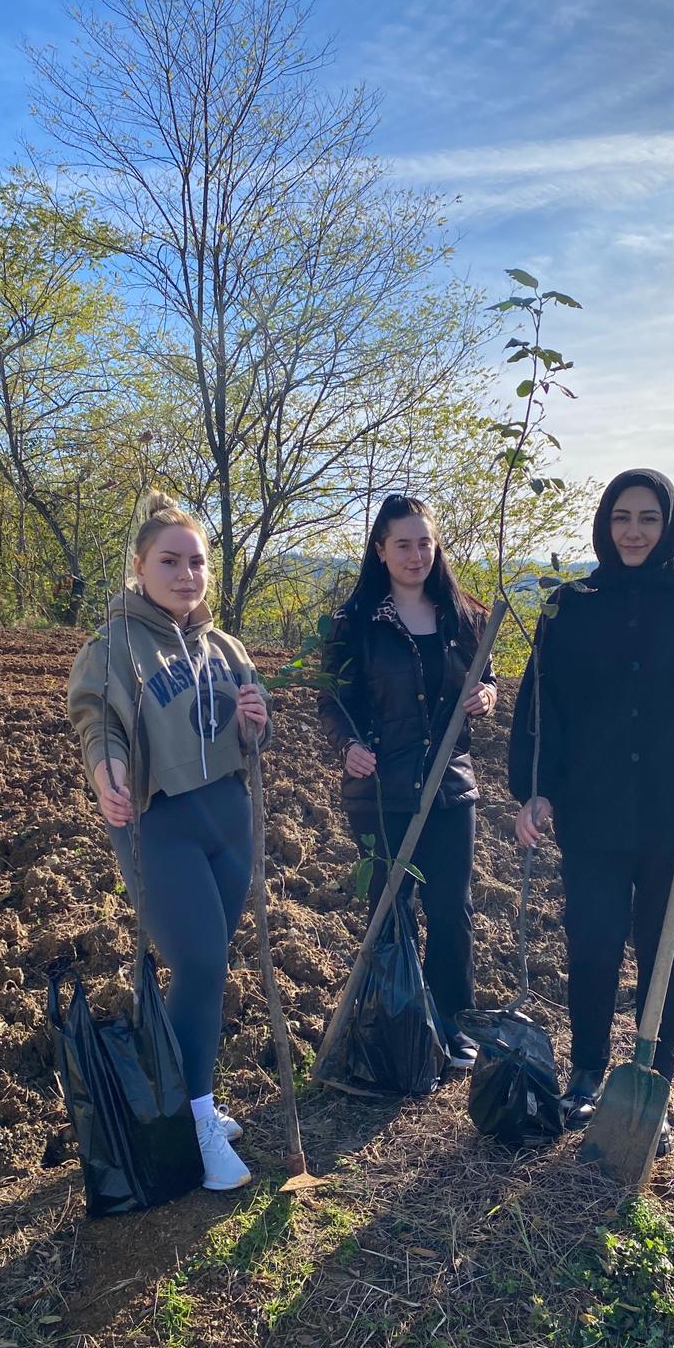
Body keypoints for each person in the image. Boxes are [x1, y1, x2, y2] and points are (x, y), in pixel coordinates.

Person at [509, 468, 674, 1153]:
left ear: (669, 525)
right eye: (622, 517)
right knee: (593, 943)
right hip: (593, 810)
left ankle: (653, 1079)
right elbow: (543, 708)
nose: (634, 531)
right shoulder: (571, 605)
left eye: (648, 518)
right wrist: (535, 788)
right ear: (605, 524)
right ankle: (587, 1072)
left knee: (665, 951)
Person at [67, 494, 270, 1191]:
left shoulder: (226, 646)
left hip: (229, 819)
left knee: (207, 970)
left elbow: (253, 728)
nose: (187, 575)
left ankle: (193, 1096)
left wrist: (256, 719)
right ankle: (196, 1123)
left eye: (197, 562)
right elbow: (97, 721)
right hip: (159, 824)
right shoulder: (113, 647)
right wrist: (107, 774)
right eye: (170, 561)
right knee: (202, 962)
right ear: (139, 566)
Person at [318, 493, 498, 1070]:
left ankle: (453, 1022)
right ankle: (398, 1024)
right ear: (380, 550)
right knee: (391, 910)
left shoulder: (463, 616)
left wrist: (488, 696)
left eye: (425, 543)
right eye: (403, 545)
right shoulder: (355, 624)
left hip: (450, 787)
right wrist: (349, 747)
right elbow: (332, 699)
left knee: (451, 910)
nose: (416, 555)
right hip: (381, 790)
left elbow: (486, 677)